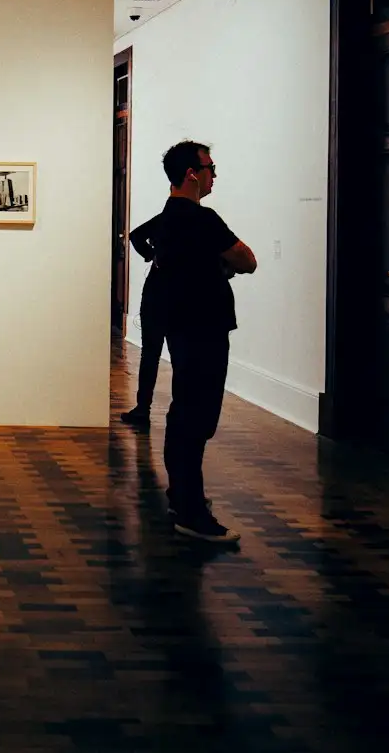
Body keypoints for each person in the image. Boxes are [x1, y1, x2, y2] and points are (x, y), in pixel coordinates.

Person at [150, 140, 256, 543]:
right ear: (192, 174)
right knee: (197, 415)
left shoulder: (167, 218)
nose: (214, 175)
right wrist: (225, 264)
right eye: (210, 167)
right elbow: (247, 259)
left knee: (184, 411)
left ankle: (183, 496)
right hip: (204, 326)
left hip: (179, 325)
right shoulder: (203, 218)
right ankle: (191, 512)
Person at [119, 206, 166, 428]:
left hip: (157, 294)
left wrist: (152, 256)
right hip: (166, 295)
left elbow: (135, 236)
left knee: (150, 354)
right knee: (159, 355)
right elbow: (135, 236)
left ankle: (143, 409)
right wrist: (151, 256)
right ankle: (144, 409)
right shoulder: (187, 220)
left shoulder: (164, 219)